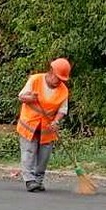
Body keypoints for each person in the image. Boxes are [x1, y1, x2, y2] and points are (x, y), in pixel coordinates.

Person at [16, 57, 71, 192]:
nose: (59, 82)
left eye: (62, 80)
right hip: (29, 125)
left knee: (44, 156)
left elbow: (62, 110)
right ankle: (29, 180)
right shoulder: (35, 80)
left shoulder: (63, 90)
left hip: (47, 128)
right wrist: (31, 98)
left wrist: (56, 121)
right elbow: (21, 97)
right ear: (51, 72)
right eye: (58, 78)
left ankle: (38, 180)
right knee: (29, 152)